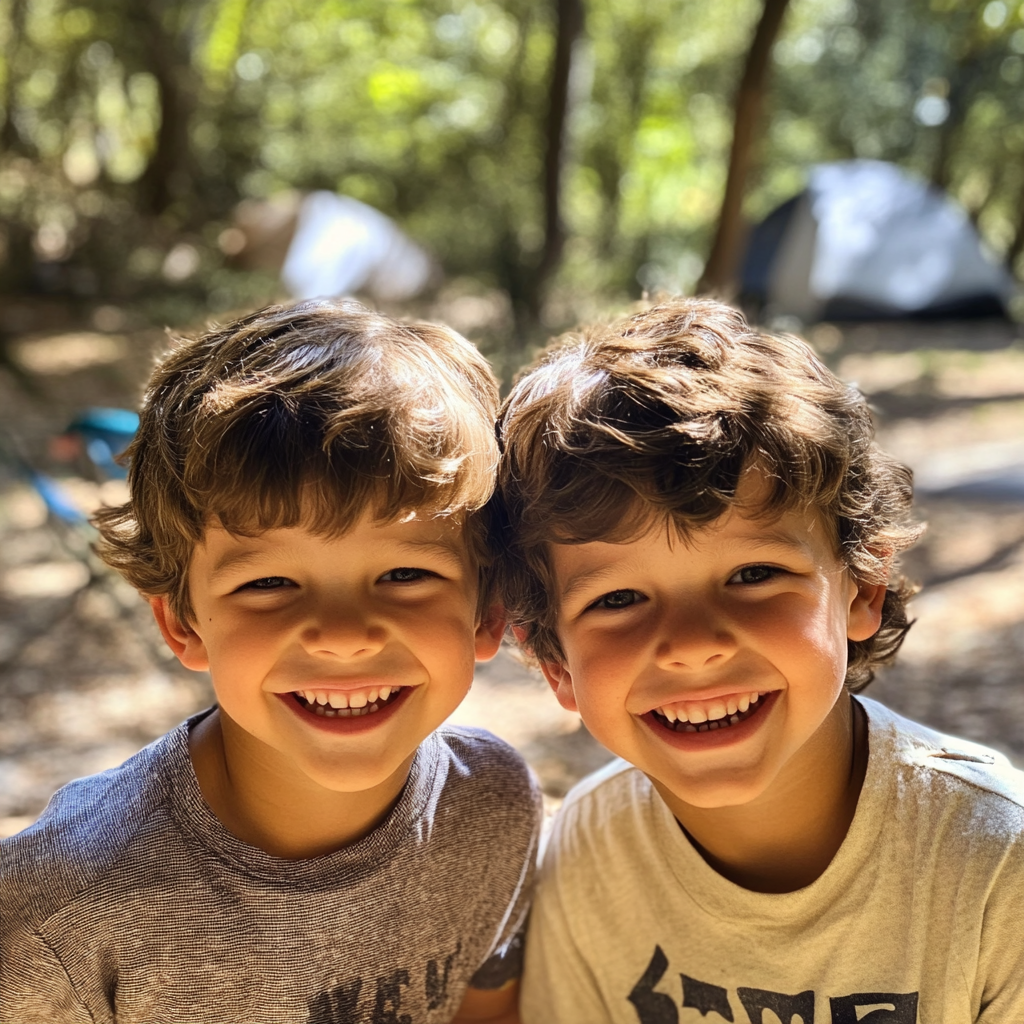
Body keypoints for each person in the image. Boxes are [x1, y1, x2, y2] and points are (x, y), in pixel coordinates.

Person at [1, 300, 541, 1024]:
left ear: (489, 612)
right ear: (182, 621)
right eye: (268, 584)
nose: (343, 636)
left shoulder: (494, 812)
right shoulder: (62, 904)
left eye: (405, 576)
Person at [494, 298, 1024, 1023]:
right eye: (618, 600)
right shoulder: (591, 853)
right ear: (555, 663)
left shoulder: (997, 867)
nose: (692, 644)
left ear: (861, 587)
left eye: (752, 576)